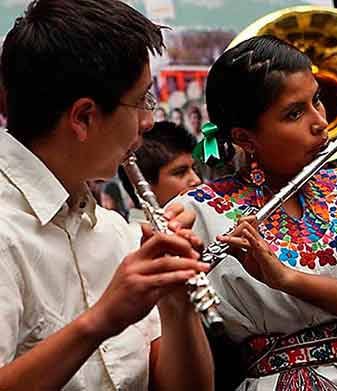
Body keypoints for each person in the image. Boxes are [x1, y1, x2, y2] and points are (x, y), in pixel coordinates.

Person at [173, 35, 337, 390]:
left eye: (316, 101)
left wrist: (287, 280)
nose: (320, 122)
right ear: (245, 138)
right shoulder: (197, 211)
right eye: (294, 113)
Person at [0, 1, 213, 390]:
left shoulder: (117, 234)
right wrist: (99, 321)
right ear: (83, 117)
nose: (149, 121)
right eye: (143, 101)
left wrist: (177, 305)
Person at [118, 120, 202, 224]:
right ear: (141, 184)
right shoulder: (135, 238)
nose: (197, 180)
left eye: (195, 169)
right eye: (180, 173)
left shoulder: (201, 215)